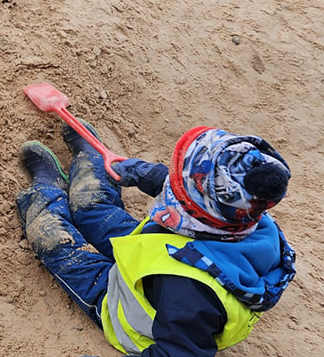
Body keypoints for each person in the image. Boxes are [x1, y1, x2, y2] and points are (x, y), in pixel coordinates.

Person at [16, 123, 296, 356]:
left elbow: (177, 352)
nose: (172, 181)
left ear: (189, 209)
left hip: (125, 305)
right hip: (158, 256)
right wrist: (138, 172)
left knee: (58, 245)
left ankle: (45, 193)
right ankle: (91, 161)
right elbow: (182, 183)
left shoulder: (189, 294)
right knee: (93, 209)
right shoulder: (245, 217)